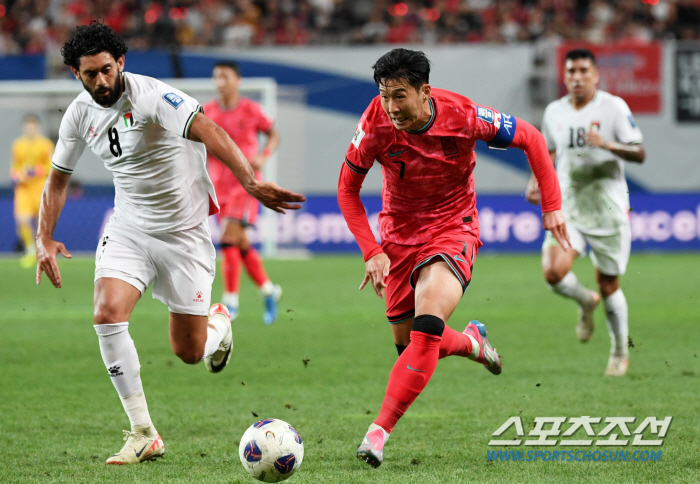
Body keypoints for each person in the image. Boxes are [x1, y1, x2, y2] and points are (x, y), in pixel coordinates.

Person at [35, 22, 304, 465]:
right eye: (90, 74)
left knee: (189, 352)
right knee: (106, 313)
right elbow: (58, 179)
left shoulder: (151, 95)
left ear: (120, 63)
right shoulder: (78, 114)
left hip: (184, 234)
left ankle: (219, 324)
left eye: (106, 70)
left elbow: (209, 129)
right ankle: (143, 433)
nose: (100, 81)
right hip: (129, 228)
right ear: (75, 74)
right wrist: (44, 237)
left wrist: (251, 182)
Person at [337, 48, 569, 468]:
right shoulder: (374, 122)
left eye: (400, 96)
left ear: (424, 91)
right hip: (399, 237)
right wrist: (372, 250)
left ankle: (378, 433)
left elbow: (531, 139)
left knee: (427, 327)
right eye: (385, 95)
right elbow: (347, 192)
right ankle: (472, 343)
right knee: (411, 347)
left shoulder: (462, 115)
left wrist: (551, 204)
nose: (391, 107)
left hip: (452, 227)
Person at [525, 48, 645, 377]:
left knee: (608, 284)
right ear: (564, 77)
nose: (576, 77)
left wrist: (608, 145)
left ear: (596, 75)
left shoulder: (614, 108)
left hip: (608, 210)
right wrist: (535, 180)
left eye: (583, 71)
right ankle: (584, 301)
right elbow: (546, 151)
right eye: (571, 72)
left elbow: (639, 152)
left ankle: (620, 351)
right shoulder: (554, 111)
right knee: (553, 272)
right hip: (569, 207)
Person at [204, 60, 282, 324]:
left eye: (225, 77)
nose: (220, 82)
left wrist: (263, 156)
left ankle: (230, 302)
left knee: (228, 238)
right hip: (219, 186)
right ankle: (269, 291)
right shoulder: (207, 112)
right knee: (239, 243)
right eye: (216, 77)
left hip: (246, 184)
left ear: (237, 80)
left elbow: (274, 135)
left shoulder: (251, 109)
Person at [10, 115, 54, 268]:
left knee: (40, 222)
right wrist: (15, 175)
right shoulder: (18, 145)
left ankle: (42, 251)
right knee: (22, 220)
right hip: (23, 189)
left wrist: (34, 172)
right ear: (24, 128)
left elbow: (50, 166)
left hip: (40, 187)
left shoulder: (45, 145)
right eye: (28, 127)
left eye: (33, 127)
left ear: (37, 128)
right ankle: (30, 250)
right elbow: (15, 166)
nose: (30, 130)